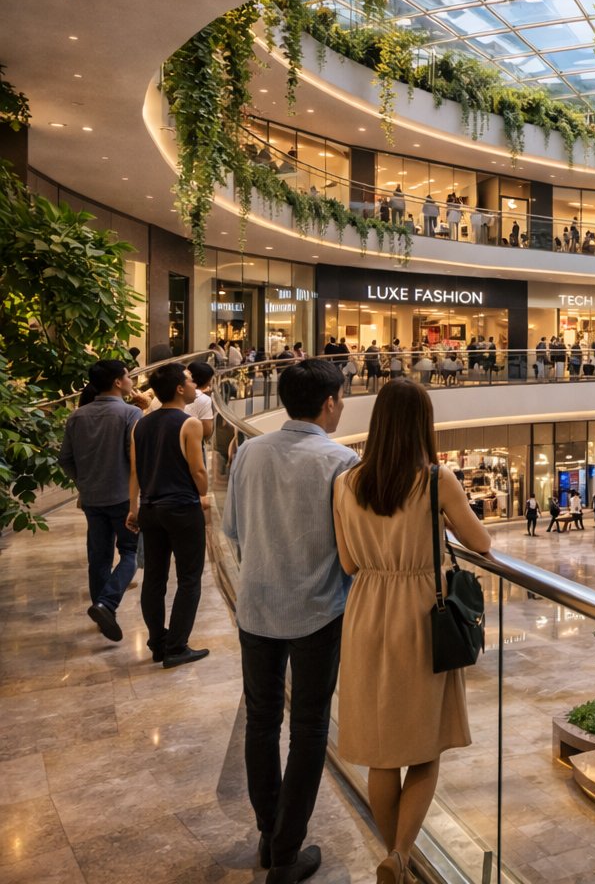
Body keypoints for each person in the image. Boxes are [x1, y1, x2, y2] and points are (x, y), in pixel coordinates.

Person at [332, 379, 494, 884]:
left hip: (365, 614)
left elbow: (348, 561)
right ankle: (401, 856)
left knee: (383, 753)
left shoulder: (346, 482)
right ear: (422, 425)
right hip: (421, 614)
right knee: (423, 748)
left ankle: (393, 857)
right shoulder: (435, 480)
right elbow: (480, 540)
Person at [224, 359, 359, 883]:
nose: (342, 404)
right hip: (318, 612)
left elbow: (233, 527)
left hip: (256, 606)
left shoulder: (250, 452)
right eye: (341, 397)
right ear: (329, 403)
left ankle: (268, 834)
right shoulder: (341, 460)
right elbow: (349, 550)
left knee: (262, 722)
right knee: (308, 730)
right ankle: (286, 850)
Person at [127, 363, 210, 668]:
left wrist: (133, 508)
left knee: (154, 578)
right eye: (189, 382)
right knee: (189, 578)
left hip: (150, 509)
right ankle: (177, 646)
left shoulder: (141, 424)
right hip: (182, 508)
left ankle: (157, 642)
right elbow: (198, 470)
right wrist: (204, 488)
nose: (194, 387)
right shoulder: (190, 424)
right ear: (179, 388)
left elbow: (135, 470)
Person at [61, 359, 145, 642]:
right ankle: (105, 605)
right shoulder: (131, 413)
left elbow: (66, 459)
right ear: (118, 382)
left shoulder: (77, 416)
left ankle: (103, 613)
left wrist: (82, 482)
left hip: (92, 498)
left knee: (99, 557)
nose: (131, 379)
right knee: (131, 553)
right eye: (128, 376)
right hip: (122, 496)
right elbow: (135, 459)